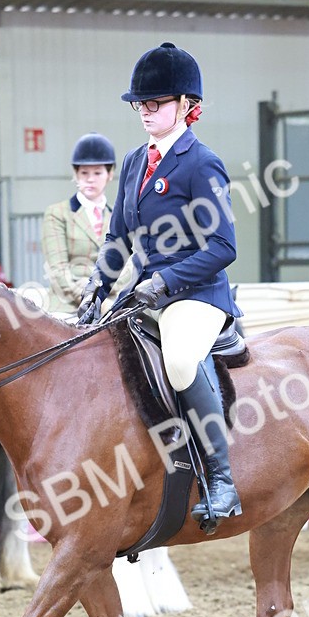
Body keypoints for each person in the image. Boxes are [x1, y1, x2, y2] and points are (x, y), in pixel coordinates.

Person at [77, 42, 242, 530]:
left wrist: (165, 281)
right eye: (140, 104)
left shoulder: (200, 162)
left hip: (196, 294)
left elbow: (223, 246)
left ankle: (221, 479)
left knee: (179, 359)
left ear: (187, 106)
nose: (145, 111)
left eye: (156, 103)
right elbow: (118, 237)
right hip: (143, 293)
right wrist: (97, 286)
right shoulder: (132, 162)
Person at [41, 133, 117, 317]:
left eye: (97, 173)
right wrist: (90, 299)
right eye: (84, 173)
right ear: (76, 175)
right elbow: (58, 270)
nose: (90, 179)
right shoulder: (57, 213)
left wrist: (107, 299)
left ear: (110, 174)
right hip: (67, 306)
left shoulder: (118, 217)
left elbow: (129, 266)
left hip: (109, 303)